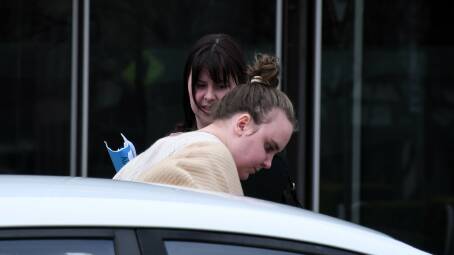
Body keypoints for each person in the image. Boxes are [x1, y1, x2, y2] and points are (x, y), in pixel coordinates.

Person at [113, 54, 296, 196]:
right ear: (242, 124)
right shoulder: (212, 158)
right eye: (268, 147)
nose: (268, 163)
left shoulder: (172, 145)